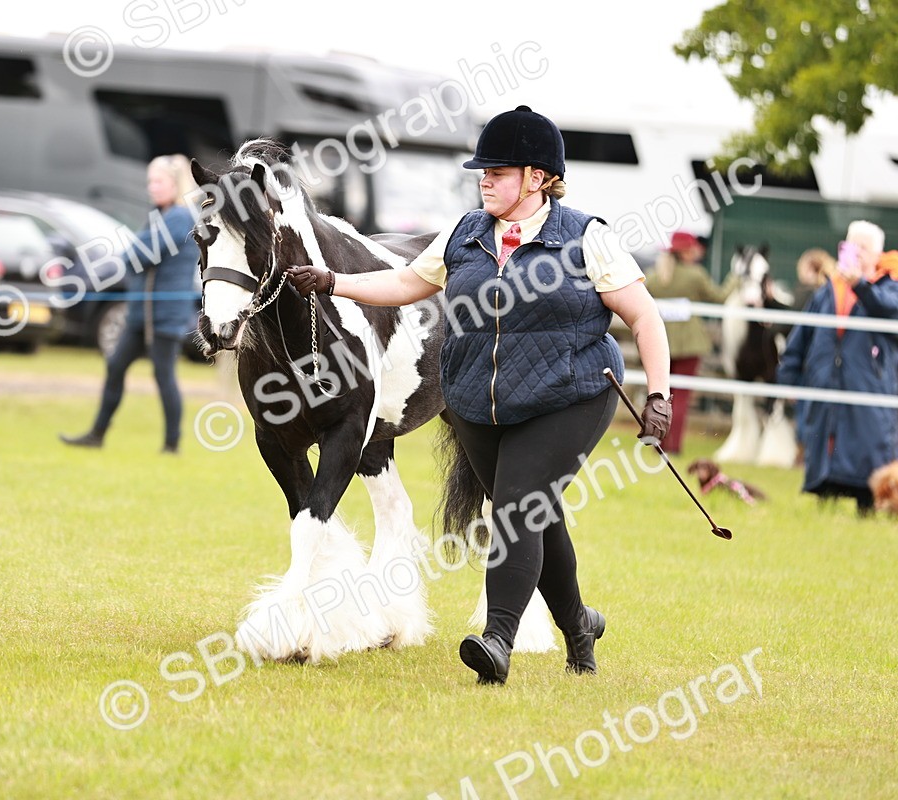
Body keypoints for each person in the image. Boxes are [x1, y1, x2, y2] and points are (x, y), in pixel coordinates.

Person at [286, 106, 673, 684]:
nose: (484, 179)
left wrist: (659, 397)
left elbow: (645, 319)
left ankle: (497, 640)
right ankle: (579, 624)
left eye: (497, 171)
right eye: (482, 171)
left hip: (571, 394)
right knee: (538, 517)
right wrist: (335, 283)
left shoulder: (587, 238)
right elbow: (407, 283)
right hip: (478, 400)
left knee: (516, 510)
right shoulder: (465, 233)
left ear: (537, 178)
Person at [61, 155, 199, 453]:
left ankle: (171, 444)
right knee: (116, 366)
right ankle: (97, 434)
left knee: (164, 376)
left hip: (164, 315)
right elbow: (137, 255)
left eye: (158, 181)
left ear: (174, 185)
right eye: (150, 181)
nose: (152, 187)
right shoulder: (159, 216)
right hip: (141, 313)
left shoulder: (179, 217)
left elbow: (137, 257)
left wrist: (132, 254)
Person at [776, 220, 898, 515]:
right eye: (853, 245)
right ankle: (825, 501)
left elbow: (889, 308)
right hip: (826, 383)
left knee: (868, 444)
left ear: (878, 254)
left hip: (868, 384)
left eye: (865, 247)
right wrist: (789, 377)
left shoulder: (891, 285)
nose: (858, 253)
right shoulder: (826, 292)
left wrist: (859, 285)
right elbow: (802, 335)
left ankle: (868, 506)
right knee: (825, 442)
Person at [644, 231, 737, 455]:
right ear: (685, 252)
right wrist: (736, 277)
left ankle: (659, 444)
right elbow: (720, 297)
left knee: (660, 395)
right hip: (689, 344)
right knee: (682, 397)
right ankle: (674, 446)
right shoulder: (695, 275)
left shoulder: (654, 276)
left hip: (660, 342)